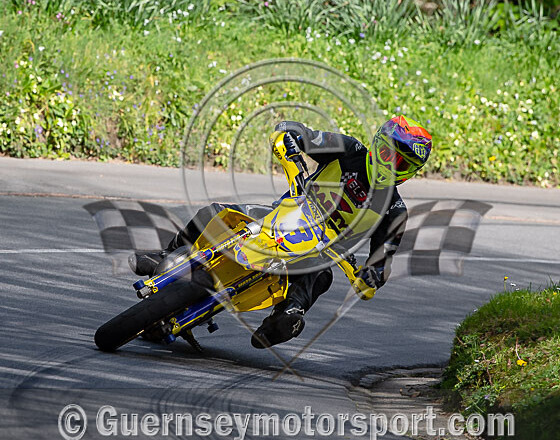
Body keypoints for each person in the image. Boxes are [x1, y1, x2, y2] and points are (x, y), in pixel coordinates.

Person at [129, 115, 432, 348]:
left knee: (321, 276)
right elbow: (296, 132)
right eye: (390, 154)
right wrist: (291, 141)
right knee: (215, 212)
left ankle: (285, 318)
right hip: (285, 214)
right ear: (378, 144)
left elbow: (381, 261)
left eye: (403, 162)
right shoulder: (349, 148)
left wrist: (369, 277)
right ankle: (166, 256)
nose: (392, 164)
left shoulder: (395, 211)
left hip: (320, 250)